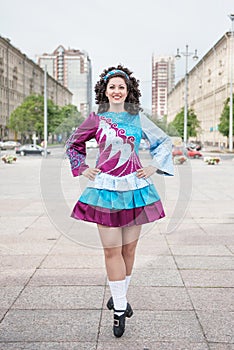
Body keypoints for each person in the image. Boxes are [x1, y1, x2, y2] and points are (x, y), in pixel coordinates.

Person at [66, 65, 174, 338]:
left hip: (136, 189)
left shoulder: (139, 119)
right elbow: (73, 144)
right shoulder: (95, 119)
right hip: (105, 190)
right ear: (105, 90)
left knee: (128, 251)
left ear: (128, 91)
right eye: (112, 87)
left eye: (121, 87)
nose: (116, 91)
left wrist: (154, 167)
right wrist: (82, 168)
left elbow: (164, 142)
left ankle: (119, 297)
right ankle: (119, 310)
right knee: (112, 251)